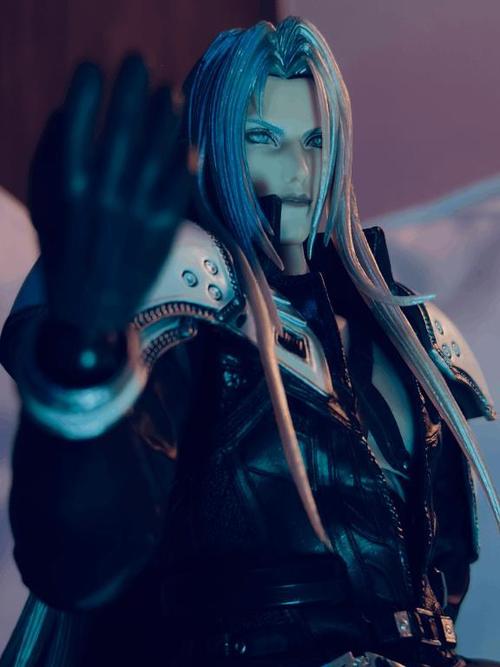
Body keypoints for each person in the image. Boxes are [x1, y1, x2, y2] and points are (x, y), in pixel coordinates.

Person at [0, 16, 498, 667]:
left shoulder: (413, 339)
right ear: (214, 145)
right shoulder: (189, 302)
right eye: (264, 138)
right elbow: (81, 559)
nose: (298, 170)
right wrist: (86, 352)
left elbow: (442, 584)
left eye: (316, 141)